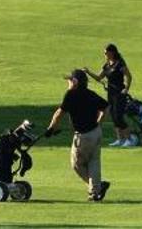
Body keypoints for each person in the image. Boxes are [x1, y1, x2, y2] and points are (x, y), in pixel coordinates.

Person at [44, 68, 113, 202]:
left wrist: (51, 128)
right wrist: (99, 122)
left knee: (77, 164)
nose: (68, 83)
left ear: (75, 82)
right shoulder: (90, 93)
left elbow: (59, 113)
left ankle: (96, 189)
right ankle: (96, 191)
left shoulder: (71, 94)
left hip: (83, 136)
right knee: (94, 162)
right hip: (96, 132)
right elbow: (106, 107)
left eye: (70, 80)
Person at [92, 43, 138, 147]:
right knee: (113, 115)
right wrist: (88, 72)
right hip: (110, 93)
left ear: (111, 52)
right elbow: (99, 78)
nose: (104, 54)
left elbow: (129, 76)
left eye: (106, 52)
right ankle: (120, 139)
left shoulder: (119, 64)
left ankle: (129, 139)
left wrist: (126, 89)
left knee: (119, 116)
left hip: (119, 93)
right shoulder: (107, 65)